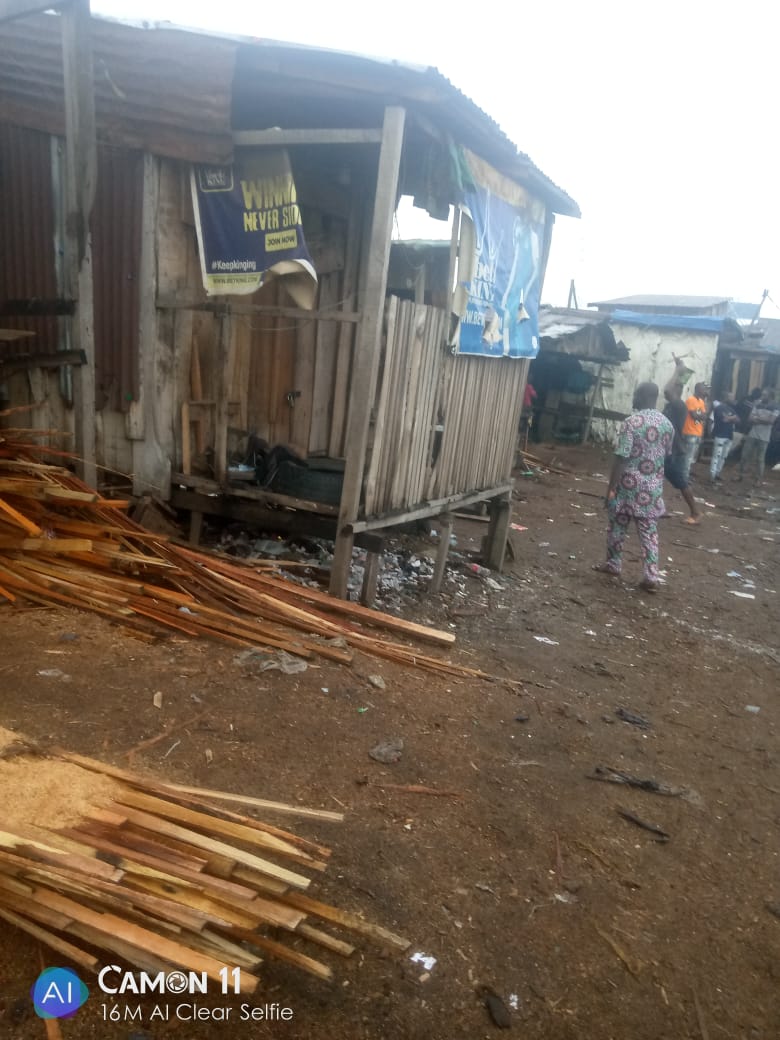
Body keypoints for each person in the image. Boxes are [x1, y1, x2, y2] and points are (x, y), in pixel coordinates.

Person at [592, 381, 674, 593]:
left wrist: (610, 488)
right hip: (652, 490)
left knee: (617, 526)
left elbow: (621, 457)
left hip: (627, 486)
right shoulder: (667, 424)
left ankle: (613, 564)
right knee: (649, 533)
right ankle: (651, 576)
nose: (633, 398)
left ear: (644, 396)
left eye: (636, 394)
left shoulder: (631, 422)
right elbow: (667, 455)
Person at [663, 385, 702, 524]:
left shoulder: (679, 405)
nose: (667, 394)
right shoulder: (670, 406)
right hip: (667, 449)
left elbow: (668, 390)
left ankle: (695, 512)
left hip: (675, 451)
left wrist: (678, 370)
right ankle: (658, 508)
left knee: (681, 482)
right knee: (656, 477)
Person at [738, 389, 780, 487]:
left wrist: (757, 418)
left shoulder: (776, 407)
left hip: (764, 437)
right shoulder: (757, 404)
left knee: (760, 460)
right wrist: (762, 419)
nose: (762, 397)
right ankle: (740, 475)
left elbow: (771, 421)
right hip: (753, 434)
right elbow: (750, 418)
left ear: (770, 396)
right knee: (744, 456)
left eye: (764, 395)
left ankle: (758, 480)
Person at [681, 381, 709, 481]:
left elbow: (705, 416)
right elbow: (694, 415)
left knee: (692, 457)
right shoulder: (690, 400)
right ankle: (684, 478)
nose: (705, 391)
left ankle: (686, 475)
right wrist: (701, 416)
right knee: (687, 457)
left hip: (698, 432)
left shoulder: (701, 402)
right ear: (698, 389)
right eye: (704, 389)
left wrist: (700, 416)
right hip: (689, 432)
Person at [709, 392, 738, 482]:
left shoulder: (732, 409)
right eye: (731, 397)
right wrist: (732, 418)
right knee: (716, 456)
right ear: (726, 398)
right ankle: (712, 475)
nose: (733, 399)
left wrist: (730, 418)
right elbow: (723, 419)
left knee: (723, 456)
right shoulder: (719, 408)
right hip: (720, 435)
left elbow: (738, 420)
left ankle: (717, 473)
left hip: (729, 435)